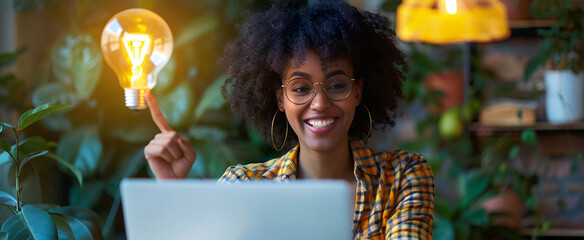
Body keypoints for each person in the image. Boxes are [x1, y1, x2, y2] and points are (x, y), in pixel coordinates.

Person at [144, 0, 435, 239]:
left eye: (336, 85)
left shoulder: (402, 177)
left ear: (357, 91)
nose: (320, 103)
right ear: (280, 98)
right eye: (300, 88)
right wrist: (171, 189)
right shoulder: (244, 186)